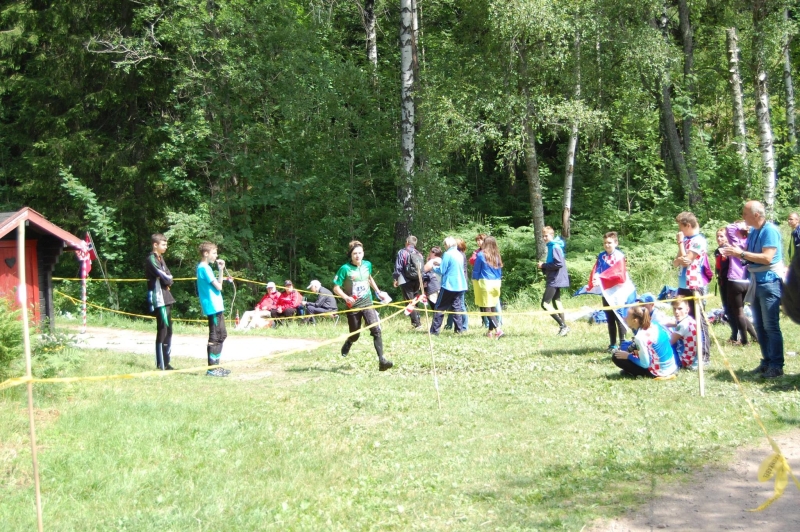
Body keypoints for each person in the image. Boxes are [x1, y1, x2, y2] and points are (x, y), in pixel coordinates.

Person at [722, 200, 785, 379]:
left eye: (745, 213)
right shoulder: (754, 231)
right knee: (759, 324)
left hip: (769, 282)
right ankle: (766, 362)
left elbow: (767, 258)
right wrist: (735, 252)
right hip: (755, 281)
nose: (743, 216)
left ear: (756, 215)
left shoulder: (769, 231)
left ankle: (776, 366)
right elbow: (750, 256)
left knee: (771, 325)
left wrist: (741, 254)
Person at [333, 240, 393, 371]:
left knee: (376, 330)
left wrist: (378, 292)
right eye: (355, 253)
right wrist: (346, 297)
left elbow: (369, 278)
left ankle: (382, 360)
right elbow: (336, 288)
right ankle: (349, 341)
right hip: (353, 306)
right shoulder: (345, 269)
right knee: (355, 334)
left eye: (360, 253)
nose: (357, 256)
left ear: (363, 253)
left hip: (367, 303)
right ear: (351, 255)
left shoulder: (367, 265)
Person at [673, 211, 710, 362]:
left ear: (688, 225)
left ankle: (704, 355)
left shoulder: (698, 240)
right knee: (684, 318)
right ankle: (689, 351)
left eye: (680, 227)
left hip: (694, 284)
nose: (679, 230)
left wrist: (680, 244)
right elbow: (676, 262)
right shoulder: (686, 240)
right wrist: (681, 253)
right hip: (683, 284)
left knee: (698, 320)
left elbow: (686, 261)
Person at [612, 305, 678, 379]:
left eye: (627, 316)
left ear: (634, 321)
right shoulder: (655, 324)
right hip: (672, 367)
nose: (625, 318)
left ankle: (636, 373)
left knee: (616, 356)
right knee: (629, 347)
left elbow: (645, 364)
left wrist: (628, 356)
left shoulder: (640, 337)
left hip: (659, 372)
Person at [196, 241, 230, 377]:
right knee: (215, 336)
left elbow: (219, 284)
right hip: (212, 306)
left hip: (217, 305)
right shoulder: (203, 268)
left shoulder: (208, 268)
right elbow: (219, 287)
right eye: (214, 253)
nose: (216, 256)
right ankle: (212, 368)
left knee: (222, 335)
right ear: (206, 253)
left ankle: (216, 366)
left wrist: (221, 270)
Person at [592, 232, 627, 351]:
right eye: (605, 243)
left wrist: (602, 277)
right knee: (610, 317)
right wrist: (596, 277)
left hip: (617, 291)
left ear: (616, 243)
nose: (607, 245)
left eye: (609, 243)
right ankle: (612, 344)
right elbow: (598, 269)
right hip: (606, 291)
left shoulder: (619, 256)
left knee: (619, 316)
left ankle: (623, 343)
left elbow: (619, 274)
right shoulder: (602, 256)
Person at [144, 233, 175, 370]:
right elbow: (163, 276)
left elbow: (169, 276)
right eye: (163, 244)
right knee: (163, 330)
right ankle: (161, 363)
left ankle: (166, 362)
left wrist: (168, 278)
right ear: (155, 245)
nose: (166, 247)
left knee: (169, 330)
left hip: (167, 297)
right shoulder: (151, 258)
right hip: (159, 298)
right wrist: (167, 278)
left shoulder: (161, 258)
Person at [724, 222, 758, 346]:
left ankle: (744, 340)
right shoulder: (750, 242)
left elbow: (729, 227)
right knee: (742, 312)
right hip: (748, 280)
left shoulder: (736, 242)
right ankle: (756, 337)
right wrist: (749, 227)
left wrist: (741, 225)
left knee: (738, 313)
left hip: (735, 280)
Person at [430, 236, 469, 335]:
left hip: (449, 285)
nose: (444, 247)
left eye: (444, 245)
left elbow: (442, 270)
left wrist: (433, 267)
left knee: (440, 307)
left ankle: (434, 331)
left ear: (447, 245)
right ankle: (459, 330)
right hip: (460, 285)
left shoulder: (447, 254)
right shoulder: (460, 254)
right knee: (457, 308)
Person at [538, 226, 569, 336]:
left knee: (545, 303)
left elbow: (558, 263)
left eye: (546, 236)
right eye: (543, 236)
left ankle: (563, 326)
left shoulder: (555, 246)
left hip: (555, 279)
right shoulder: (553, 246)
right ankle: (564, 329)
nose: (544, 238)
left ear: (552, 235)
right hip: (556, 278)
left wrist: (544, 265)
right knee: (557, 302)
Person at [473, 235, 504, 339]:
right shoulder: (497, 255)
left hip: (485, 283)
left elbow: (476, 270)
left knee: (487, 308)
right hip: (497, 283)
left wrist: (474, 280)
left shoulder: (481, 255)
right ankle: (490, 331)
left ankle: (498, 330)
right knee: (492, 307)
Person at [392, 235, 424, 329]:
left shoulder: (402, 252)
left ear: (407, 242)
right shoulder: (419, 254)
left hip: (405, 280)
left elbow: (398, 267)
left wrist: (396, 279)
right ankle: (417, 320)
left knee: (409, 302)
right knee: (415, 301)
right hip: (417, 280)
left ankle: (417, 324)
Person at [445, 238, 470, 330]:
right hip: (456, 282)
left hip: (459, 283)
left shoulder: (460, 255)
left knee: (461, 305)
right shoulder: (457, 254)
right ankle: (449, 325)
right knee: (453, 305)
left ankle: (464, 326)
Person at [669, 297, 699, 369]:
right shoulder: (690, 320)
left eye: (680, 309)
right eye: (674, 309)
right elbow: (675, 323)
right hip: (694, 358)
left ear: (687, 310)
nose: (676, 311)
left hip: (685, 361)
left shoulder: (682, 325)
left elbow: (669, 342)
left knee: (663, 344)